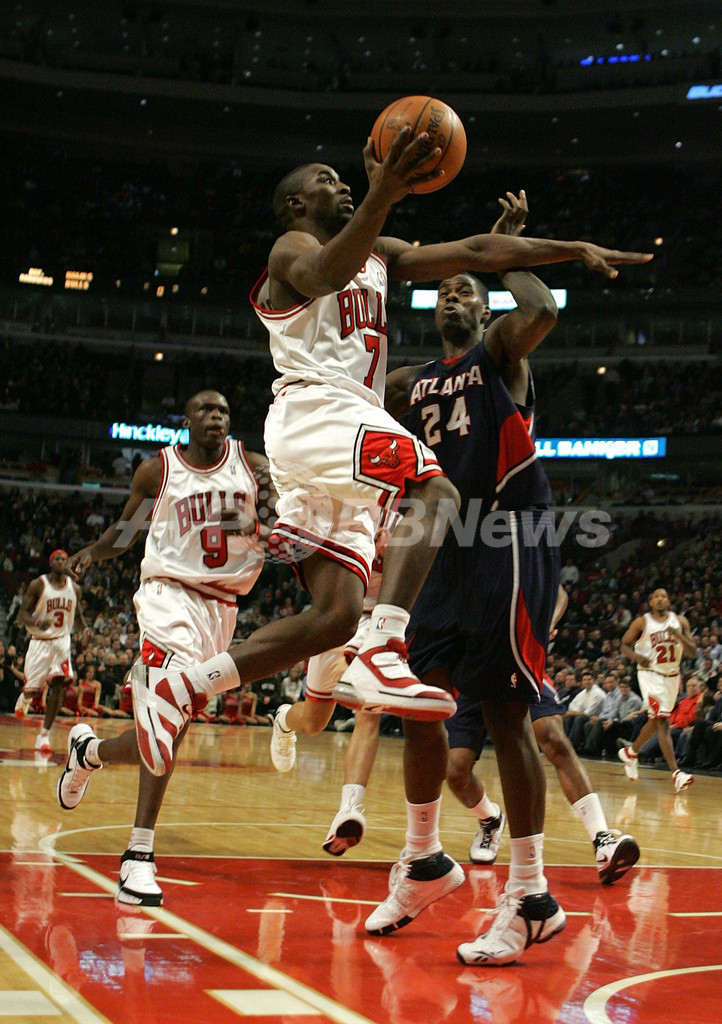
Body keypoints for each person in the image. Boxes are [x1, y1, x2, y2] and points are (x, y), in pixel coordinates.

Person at [126, 135, 653, 780]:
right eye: (327, 179)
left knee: (334, 617)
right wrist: (381, 193)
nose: (343, 183)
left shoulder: (380, 251)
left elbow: (477, 252)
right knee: (436, 491)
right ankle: (384, 647)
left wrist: (568, 248)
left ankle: (187, 686)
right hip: (318, 409)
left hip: (339, 428)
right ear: (296, 204)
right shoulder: (290, 248)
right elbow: (326, 274)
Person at [357, 188, 646, 967]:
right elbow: (356, 395)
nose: (452, 296)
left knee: (509, 715)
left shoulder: (501, 354)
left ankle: (530, 896)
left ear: (485, 311)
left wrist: (508, 251)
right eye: (444, 291)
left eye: (466, 290)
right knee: (419, 705)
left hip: (508, 535)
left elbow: (541, 309)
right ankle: (424, 859)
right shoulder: (410, 382)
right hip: (440, 550)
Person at [56, 390, 269, 907]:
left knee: (164, 738)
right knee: (164, 728)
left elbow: (282, 524)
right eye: (206, 410)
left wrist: (270, 518)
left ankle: (89, 753)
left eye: (223, 411)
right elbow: (126, 533)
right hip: (168, 598)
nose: (217, 417)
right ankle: (138, 854)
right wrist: (92, 553)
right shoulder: (159, 471)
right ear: (187, 421)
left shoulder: (255, 466)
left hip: (223, 610)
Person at [618, 587, 697, 792]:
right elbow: (624, 645)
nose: (660, 599)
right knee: (663, 721)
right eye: (656, 597)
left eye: (664, 596)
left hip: (672, 677)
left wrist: (679, 636)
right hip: (650, 674)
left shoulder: (680, 621)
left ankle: (631, 752)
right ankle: (676, 773)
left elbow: (692, 653)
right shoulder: (642, 622)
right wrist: (637, 657)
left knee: (655, 721)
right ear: (651, 602)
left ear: (669, 600)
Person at [14, 550, 89, 752]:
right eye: (57, 559)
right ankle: (25, 699)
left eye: (64, 559)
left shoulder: (75, 588)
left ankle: (44, 735)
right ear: (50, 562)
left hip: (62, 641)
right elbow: (22, 614)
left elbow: (78, 618)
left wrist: (85, 631)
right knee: (32, 690)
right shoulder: (38, 585)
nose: (61, 562)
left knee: (59, 684)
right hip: (40, 641)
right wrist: (36, 622)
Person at [585, 678, 643, 758]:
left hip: (630, 725)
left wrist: (613, 722)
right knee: (603, 724)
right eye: (622, 687)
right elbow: (614, 713)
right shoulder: (619, 698)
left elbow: (630, 718)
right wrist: (609, 721)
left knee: (610, 726)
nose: (623, 689)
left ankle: (595, 750)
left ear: (630, 688)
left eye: (626, 687)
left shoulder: (634, 700)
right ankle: (598, 750)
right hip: (620, 722)